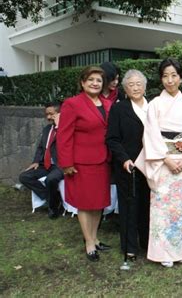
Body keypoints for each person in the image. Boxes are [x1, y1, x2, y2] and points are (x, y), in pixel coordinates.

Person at [135, 58, 182, 267]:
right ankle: (162, 253)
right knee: (161, 209)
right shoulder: (154, 104)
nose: (170, 80)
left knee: (180, 209)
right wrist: (165, 158)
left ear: (181, 78)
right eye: (165, 76)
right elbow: (150, 135)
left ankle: (178, 250)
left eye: (174, 75)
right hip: (162, 162)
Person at [57, 66, 113, 262]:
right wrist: (66, 163)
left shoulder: (107, 104)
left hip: (103, 161)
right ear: (82, 82)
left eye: (98, 80)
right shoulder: (72, 104)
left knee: (98, 203)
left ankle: (95, 238)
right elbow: (63, 135)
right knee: (85, 203)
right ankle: (88, 242)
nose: (95, 83)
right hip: (81, 163)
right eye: (91, 80)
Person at [106, 69, 150, 262]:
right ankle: (130, 247)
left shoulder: (154, 106)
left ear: (145, 86)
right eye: (130, 84)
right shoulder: (119, 109)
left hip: (152, 165)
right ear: (124, 88)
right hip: (129, 166)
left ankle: (148, 244)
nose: (135, 87)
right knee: (129, 206)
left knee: (148, 206)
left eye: (138, 84)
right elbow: (112, 139)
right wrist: (124, 159)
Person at [19, 102, 63, 219]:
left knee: (51, 179)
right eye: (46, 114)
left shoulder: (66, 129)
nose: (48, 117)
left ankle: (53, 209)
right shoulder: (47, 129)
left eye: (51, 114)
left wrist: (60, 126)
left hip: (60, 165)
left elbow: (65, 144)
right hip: (45, 165)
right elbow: (41, 147)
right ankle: (53, 198)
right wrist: (36, 161)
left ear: (60, 114)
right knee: (24, 177)